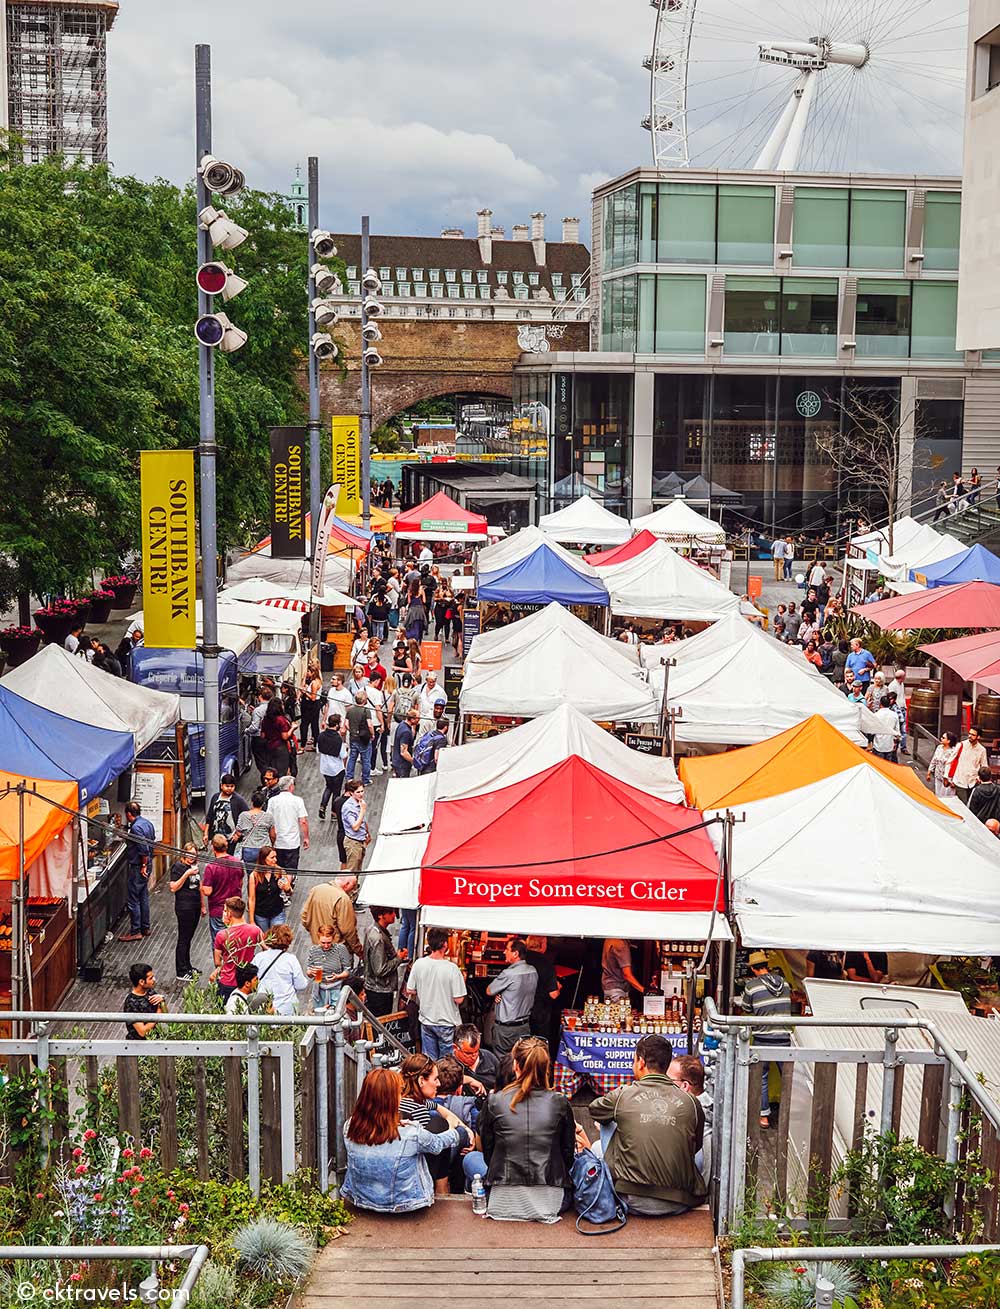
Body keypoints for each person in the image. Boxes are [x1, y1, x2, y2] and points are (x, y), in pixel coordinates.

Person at [585, 1033, 706, 1216]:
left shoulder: (624, 1094)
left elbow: (595, 1110)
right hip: (680, 1201)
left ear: (640, 1062)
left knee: (608, 1121)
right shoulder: (691, 1102)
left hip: (630, 1199)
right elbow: (696, 1147)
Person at [471, 1036, 576, 1223]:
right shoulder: (560, 1102)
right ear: (546, 1069)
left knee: (472, 1160)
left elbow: (488, 1152)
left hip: (502, 1198)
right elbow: (567, 1154)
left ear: (516, 1066)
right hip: (551, 1199)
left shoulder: (495, 1101)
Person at [342, 1066, 470, 1214]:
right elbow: (438, 1144)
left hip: (360, 1200)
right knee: (453, 1133)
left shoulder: (349, 1126)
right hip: (405, 1204)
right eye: (399, 1093)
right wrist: (455, 1127)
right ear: (390, 1099)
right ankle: (447, 1189)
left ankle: (443, 1189)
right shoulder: (411, 1135)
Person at [742, 951, 792, 1127]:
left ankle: (763, 1117)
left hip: (763, 1037)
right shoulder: (784, 983)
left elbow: (747, 1009)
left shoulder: (752, 986)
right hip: (784, 1037)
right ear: (766, 966)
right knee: (788, 1077)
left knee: (761, 1076)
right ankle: (792, 1116)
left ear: (754, 969)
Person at [404, 927, 467, 1061]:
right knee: (447, 1064)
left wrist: (424, 989)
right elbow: (459, 999)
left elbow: (410, 990)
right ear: (445, 945)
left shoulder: (419, 964)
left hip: (427, 1020)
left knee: (430, 1061)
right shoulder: (452, 969)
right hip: (447, 1022)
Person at [485, 938, 538, 1059]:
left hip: (506, 1030)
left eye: (507, 949)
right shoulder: (533, 971)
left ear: (515, 953)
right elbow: (518, 992)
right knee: (520, 1060)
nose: (504, 952)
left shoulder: (509, 974)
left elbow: (489, 990)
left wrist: (498, 993)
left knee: (502, 1061)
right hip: (524, 1026)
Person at [210, 896, 263, 1002]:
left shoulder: (222, 935)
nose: (223, 913)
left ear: (229, 914)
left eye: (225, 910)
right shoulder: (255, 931)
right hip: (247, 983)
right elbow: (266, 948)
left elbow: (217, 962)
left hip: (227, 982)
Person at [668, 1055, 712, 1177]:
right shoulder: (708, 1107)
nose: (664, 1085)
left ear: (685, 1086)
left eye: (668, 1081)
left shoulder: (689, 1117)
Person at [253, 923, 310, 1015]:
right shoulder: (291, 959)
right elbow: (301, 985)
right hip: (286, 1008)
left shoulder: (259, 958)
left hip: (265, 1006)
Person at [119, 801, 155, 942]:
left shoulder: (136, 828)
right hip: (147, 863)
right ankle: (145, 927)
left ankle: (135, 931)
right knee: (143, 896)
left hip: (138, 866)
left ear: (128, 814)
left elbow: (144, 849)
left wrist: (143, 865)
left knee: (133, 900)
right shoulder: (147, 823)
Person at [300, 873, 362, 954]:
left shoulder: (316, 889)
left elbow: (304, 916)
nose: (352, 890)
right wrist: (358, 950)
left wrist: (315, 932)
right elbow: (348, 930)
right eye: (353, 886)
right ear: (347, 884)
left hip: (317, 946)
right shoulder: (343, 899)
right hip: (337, 951)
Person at [200, 833, 245, 941]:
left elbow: (207, 891)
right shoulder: (237, 863)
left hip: (218, 910)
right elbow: (241, 883)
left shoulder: (211, 867)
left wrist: (201, 885)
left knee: (219, 944)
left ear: (213, 847)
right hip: (236, 909)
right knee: (235, 942)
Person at [169, 842, 202, 982]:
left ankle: (188, 966)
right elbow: (173, 887)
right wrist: (187, 873)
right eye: (189, 854)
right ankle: (181, 970)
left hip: (195, 906)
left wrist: (202, 905)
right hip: (184, 907)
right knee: (183, 938)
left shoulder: (195, 867)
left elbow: (198, 886)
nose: (191, 858)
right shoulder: (178, 867)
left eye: (193, 855)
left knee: (188, 938)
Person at [364, 906, 405, 1017]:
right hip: (380, 990)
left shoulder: (373, 930)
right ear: (380, 916)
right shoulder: (378, 938)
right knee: (381, 1023)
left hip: (376, 987)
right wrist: (399, 958)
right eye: (390, 912)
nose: (394, 915)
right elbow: (380, 969)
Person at [306, 923, 353, 1010]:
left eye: (329, 942)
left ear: (333, 938)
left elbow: (348, 970)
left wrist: (338, 976)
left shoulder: (340, 949)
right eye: (323, 943)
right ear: (318, 938)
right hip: (319, 990)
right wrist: (310, 972)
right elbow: (308, 971)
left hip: (336, 988)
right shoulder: (314, 950)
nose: (326, 946)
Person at [266, 775, 309, 870]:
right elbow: (303, 821)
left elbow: (268, 820)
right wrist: (306, 838)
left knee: (278, 869)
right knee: (291, 870)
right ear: (291, 787)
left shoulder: (272, 801)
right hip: (292, 842)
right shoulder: (298, 801)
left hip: (278, 842)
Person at [526, 937, 561, 1049]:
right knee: (539, 1047)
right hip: (540, 1011)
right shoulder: (546, 963)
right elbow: (553, 994)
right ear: (542, 944)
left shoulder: (522, 959)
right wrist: (558, 987)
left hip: (521, 1012)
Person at [247, 848, 291, 931]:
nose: (275, 860)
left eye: (275, 857)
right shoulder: (254, 876)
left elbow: (289, 892)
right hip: (261, 914)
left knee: (278, 938)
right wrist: (252, 921)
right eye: (272, 857)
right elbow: (252, 899)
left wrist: (287, 889)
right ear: (263, 859)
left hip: (277, 912)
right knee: (265, 939)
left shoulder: (280, 872)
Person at [202, 773, 249, 848]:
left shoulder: (238, 800)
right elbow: (209, 817)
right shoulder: (215, 797)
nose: (229, 788)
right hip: (216, 838)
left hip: (231, 839)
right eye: (227, 786)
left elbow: (247, 816)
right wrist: (206, 833)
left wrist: (238, 834)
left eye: (232, 786)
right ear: (221, 786)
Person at [123, 963, 164, 1041]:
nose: (154, 980)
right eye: (151, 978)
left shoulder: (150, 992)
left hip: (155, 1039)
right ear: (141, 982)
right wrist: (157, 1015)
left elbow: (165, 1014)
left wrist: (162, 1001)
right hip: (138, 1047)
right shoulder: (131, 1003)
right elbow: (142, 1032)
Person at [454, 1023, 501, 1089]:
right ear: (455, 1048)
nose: (474, 1056)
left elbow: (504, 1079)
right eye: (468, 1053)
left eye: (476, 1051)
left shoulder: (489, 1057)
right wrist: (468, 1080)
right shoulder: (449, 1065)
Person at [234, 790, 272, 871]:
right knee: (263, 874)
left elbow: (238, 832)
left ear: (252, 801)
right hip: (264, 849)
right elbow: (272, 834)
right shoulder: (268, 816)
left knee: (250, 875)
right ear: (263, 803)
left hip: (249, 849)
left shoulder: (243, 815)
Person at [317, 717, 346, 820]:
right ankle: (334, 813)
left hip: (325, 768)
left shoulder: (321, 736)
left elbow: (318, 749)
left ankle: (323, 806)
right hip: (337, 769)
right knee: (336, 791)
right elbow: (343, 755)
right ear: (337, 725)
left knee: (328, 787)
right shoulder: (338, 739)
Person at [950, 726, 989, 805]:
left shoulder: (982, 750)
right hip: (960, 780)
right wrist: (949, 777)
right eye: (969, 734)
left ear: (978, 737)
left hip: (973, 782)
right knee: (962, 805)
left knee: (972, 805)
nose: (970, 736)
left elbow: (984, 766)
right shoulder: (961, 745)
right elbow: (951, 760)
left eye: (973, 735)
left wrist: (979, 778)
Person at [345, 691, 374, 786]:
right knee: (366, 760)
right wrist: (372, 734)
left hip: (353, 738)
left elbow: (346, 724)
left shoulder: (350, 710)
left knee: (352, 758)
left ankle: (349, 778)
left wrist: (352, 731)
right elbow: (369, 725)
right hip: (364, 739)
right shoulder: (366, 711)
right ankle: (365, 780)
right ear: (364, 700)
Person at [602, 938, 644, 1002]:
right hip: (617, 989)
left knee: (613, 1011)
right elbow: (627, 974)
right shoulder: (621, 944)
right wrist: (644, 990)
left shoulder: (609, 939)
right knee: (620, 1011)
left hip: (609, 986)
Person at [260, 697, 294, 777]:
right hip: (280, 747)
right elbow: (285, 736)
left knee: (271, 769)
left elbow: (262, 735)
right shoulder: (281, 720)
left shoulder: (265, 719)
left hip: (269, 747)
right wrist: (293, 728)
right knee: (281, 770)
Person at [341, 780, 370, 873]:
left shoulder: (360, 803)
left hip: (361, 840)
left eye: (362, 791)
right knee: (352, 872)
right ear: (351, 793)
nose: (361, 794)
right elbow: (355, 827)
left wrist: (367, 833)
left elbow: (362, 821)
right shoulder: (349, 808)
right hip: (353, 843)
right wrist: (362, 810)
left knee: (358, 870)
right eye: (358, 792)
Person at [927, 730, 960, 798]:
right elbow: (934, 759)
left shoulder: (953, 751)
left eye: (943, 738)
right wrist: (929, 771)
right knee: (938, 794)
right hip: (938, 775)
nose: (941, 739)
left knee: (947, 796)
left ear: (949, 741)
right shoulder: (939, 747)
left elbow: (956, 765)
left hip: (948, 778)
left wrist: (954, 780)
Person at [298, 661, 323, 751]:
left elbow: (313, 697)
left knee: (304, 725)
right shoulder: (316, 681)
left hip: (311, 705)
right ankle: (316, 744)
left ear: (312, 672)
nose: (307, 673)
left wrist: (304, 692)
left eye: (308, 672)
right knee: (314, 724)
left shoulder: (314, 683)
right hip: (315, 705)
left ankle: (302, 745)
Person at [392, 707, 420, 779]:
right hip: (402, 765)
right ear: (412, 719)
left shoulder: (402, 724)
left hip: (397, 761)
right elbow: (403, 752)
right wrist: (413, 761)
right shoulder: (406, 732)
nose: (419, 721)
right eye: (418, 719)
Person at [871, 694, 901, 761]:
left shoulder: (876, 715)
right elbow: (897, 731)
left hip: (878, 744)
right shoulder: (894, 715)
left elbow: (872, 731)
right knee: (888, 766)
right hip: (889, 745)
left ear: (880, 704)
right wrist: (896, 742)